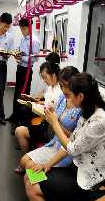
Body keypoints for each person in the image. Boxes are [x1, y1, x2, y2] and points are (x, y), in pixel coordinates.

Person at [25, 73, 105, 201]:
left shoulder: (99, 121)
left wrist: (54, 122)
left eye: (70, 95)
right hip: (76, 167)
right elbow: (72, 140)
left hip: (87, 179)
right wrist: (48, 164)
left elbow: (72, 148)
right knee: (30, 177)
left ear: (80, 96)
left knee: (32, 187)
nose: (70, 100)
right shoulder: (87, 112)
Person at [16, 66, 80, 174]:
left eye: (67, 86)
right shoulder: (62, 99)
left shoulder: (81, 109)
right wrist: (51, 113)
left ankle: (36, 182)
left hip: (64, 149)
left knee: (29, 169)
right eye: (61, 86)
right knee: (24, 162)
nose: (64, 90)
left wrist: (54, 122)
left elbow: (73, 142)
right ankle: (34, 180)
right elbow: (53, 113)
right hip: (55, 142)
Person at [14, 61, 63, 155]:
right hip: (45, 114)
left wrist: (37, 105)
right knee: (24, 108)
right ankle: (27, 136)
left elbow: (53, 107)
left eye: (45, 77)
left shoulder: (60, 91)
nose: (44, 80)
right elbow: (47, 101)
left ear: (53, 75)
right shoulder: (51, 87)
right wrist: (34, 101)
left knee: (25, 111)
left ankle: (28, 138)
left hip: (49, 120)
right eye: (43, 78)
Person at [7, 18, 40, 125]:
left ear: (30, 28)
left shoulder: (34, 41)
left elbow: (35, 59)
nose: (22, 31)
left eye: (24, 29)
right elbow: (21, 50)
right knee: (17, 93)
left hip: (27, 70)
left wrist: (21, 58)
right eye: (21, 29)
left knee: (23, 95)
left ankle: (20, 120)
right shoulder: (23, 39)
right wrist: (16, 53)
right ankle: (14, 115)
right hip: (20, 68)